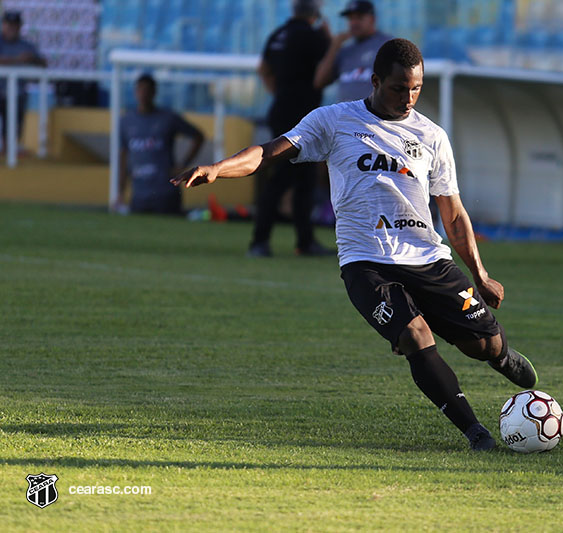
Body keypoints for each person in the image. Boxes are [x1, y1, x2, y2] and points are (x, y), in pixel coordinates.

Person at [172, 39, 538, 451]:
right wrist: (218, 169)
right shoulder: (333, 120)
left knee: (482, 343)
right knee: (415, 336)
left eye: (416, 88)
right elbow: (268, 152)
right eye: (399, 88)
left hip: (427, 257)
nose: (408, 97)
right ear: (376, 80)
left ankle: (501, 356)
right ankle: (476, 433)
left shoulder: (431, 136)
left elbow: (452, 213)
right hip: (366, 262)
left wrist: (480, 274)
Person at [250, 0, 333, 257]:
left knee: (303, 179)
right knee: (285, 178)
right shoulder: (313, 37)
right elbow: (328, 67)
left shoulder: (279, 34)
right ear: (315, 12)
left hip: (281, 110)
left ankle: (304, 241)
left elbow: (263, 68)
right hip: (301, 117)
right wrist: (332, 40)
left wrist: (278, 92)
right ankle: (259, 242)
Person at [118, 73, 204, 215]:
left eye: (147, 90)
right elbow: (123, 155)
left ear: (154, 93)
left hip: (165, 193)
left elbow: (198, 136)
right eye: (140, 90)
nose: (143, 94)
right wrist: (120, 191)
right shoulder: (126, 121)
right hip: (139, 194)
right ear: (135, 92)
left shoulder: (168, 118)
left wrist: (183, 165)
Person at [313, 0, 392, 102]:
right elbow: (319, 82)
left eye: (359, 17)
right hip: (345, 115)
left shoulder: (387, 44)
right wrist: (334, 46)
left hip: (374, 115)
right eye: (351, 18)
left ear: (372, 19)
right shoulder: (345, 50)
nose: (354, 23)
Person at [0, 11, 46, 152]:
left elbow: (43, 63)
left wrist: (32, 59)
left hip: (17, 93)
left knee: (13, 126)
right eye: (9, 25)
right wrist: (18, 60)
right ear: (3, 25)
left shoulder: (26, 45)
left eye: (15, 25)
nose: (12, 28)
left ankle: (9, 154)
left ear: (20, 27)